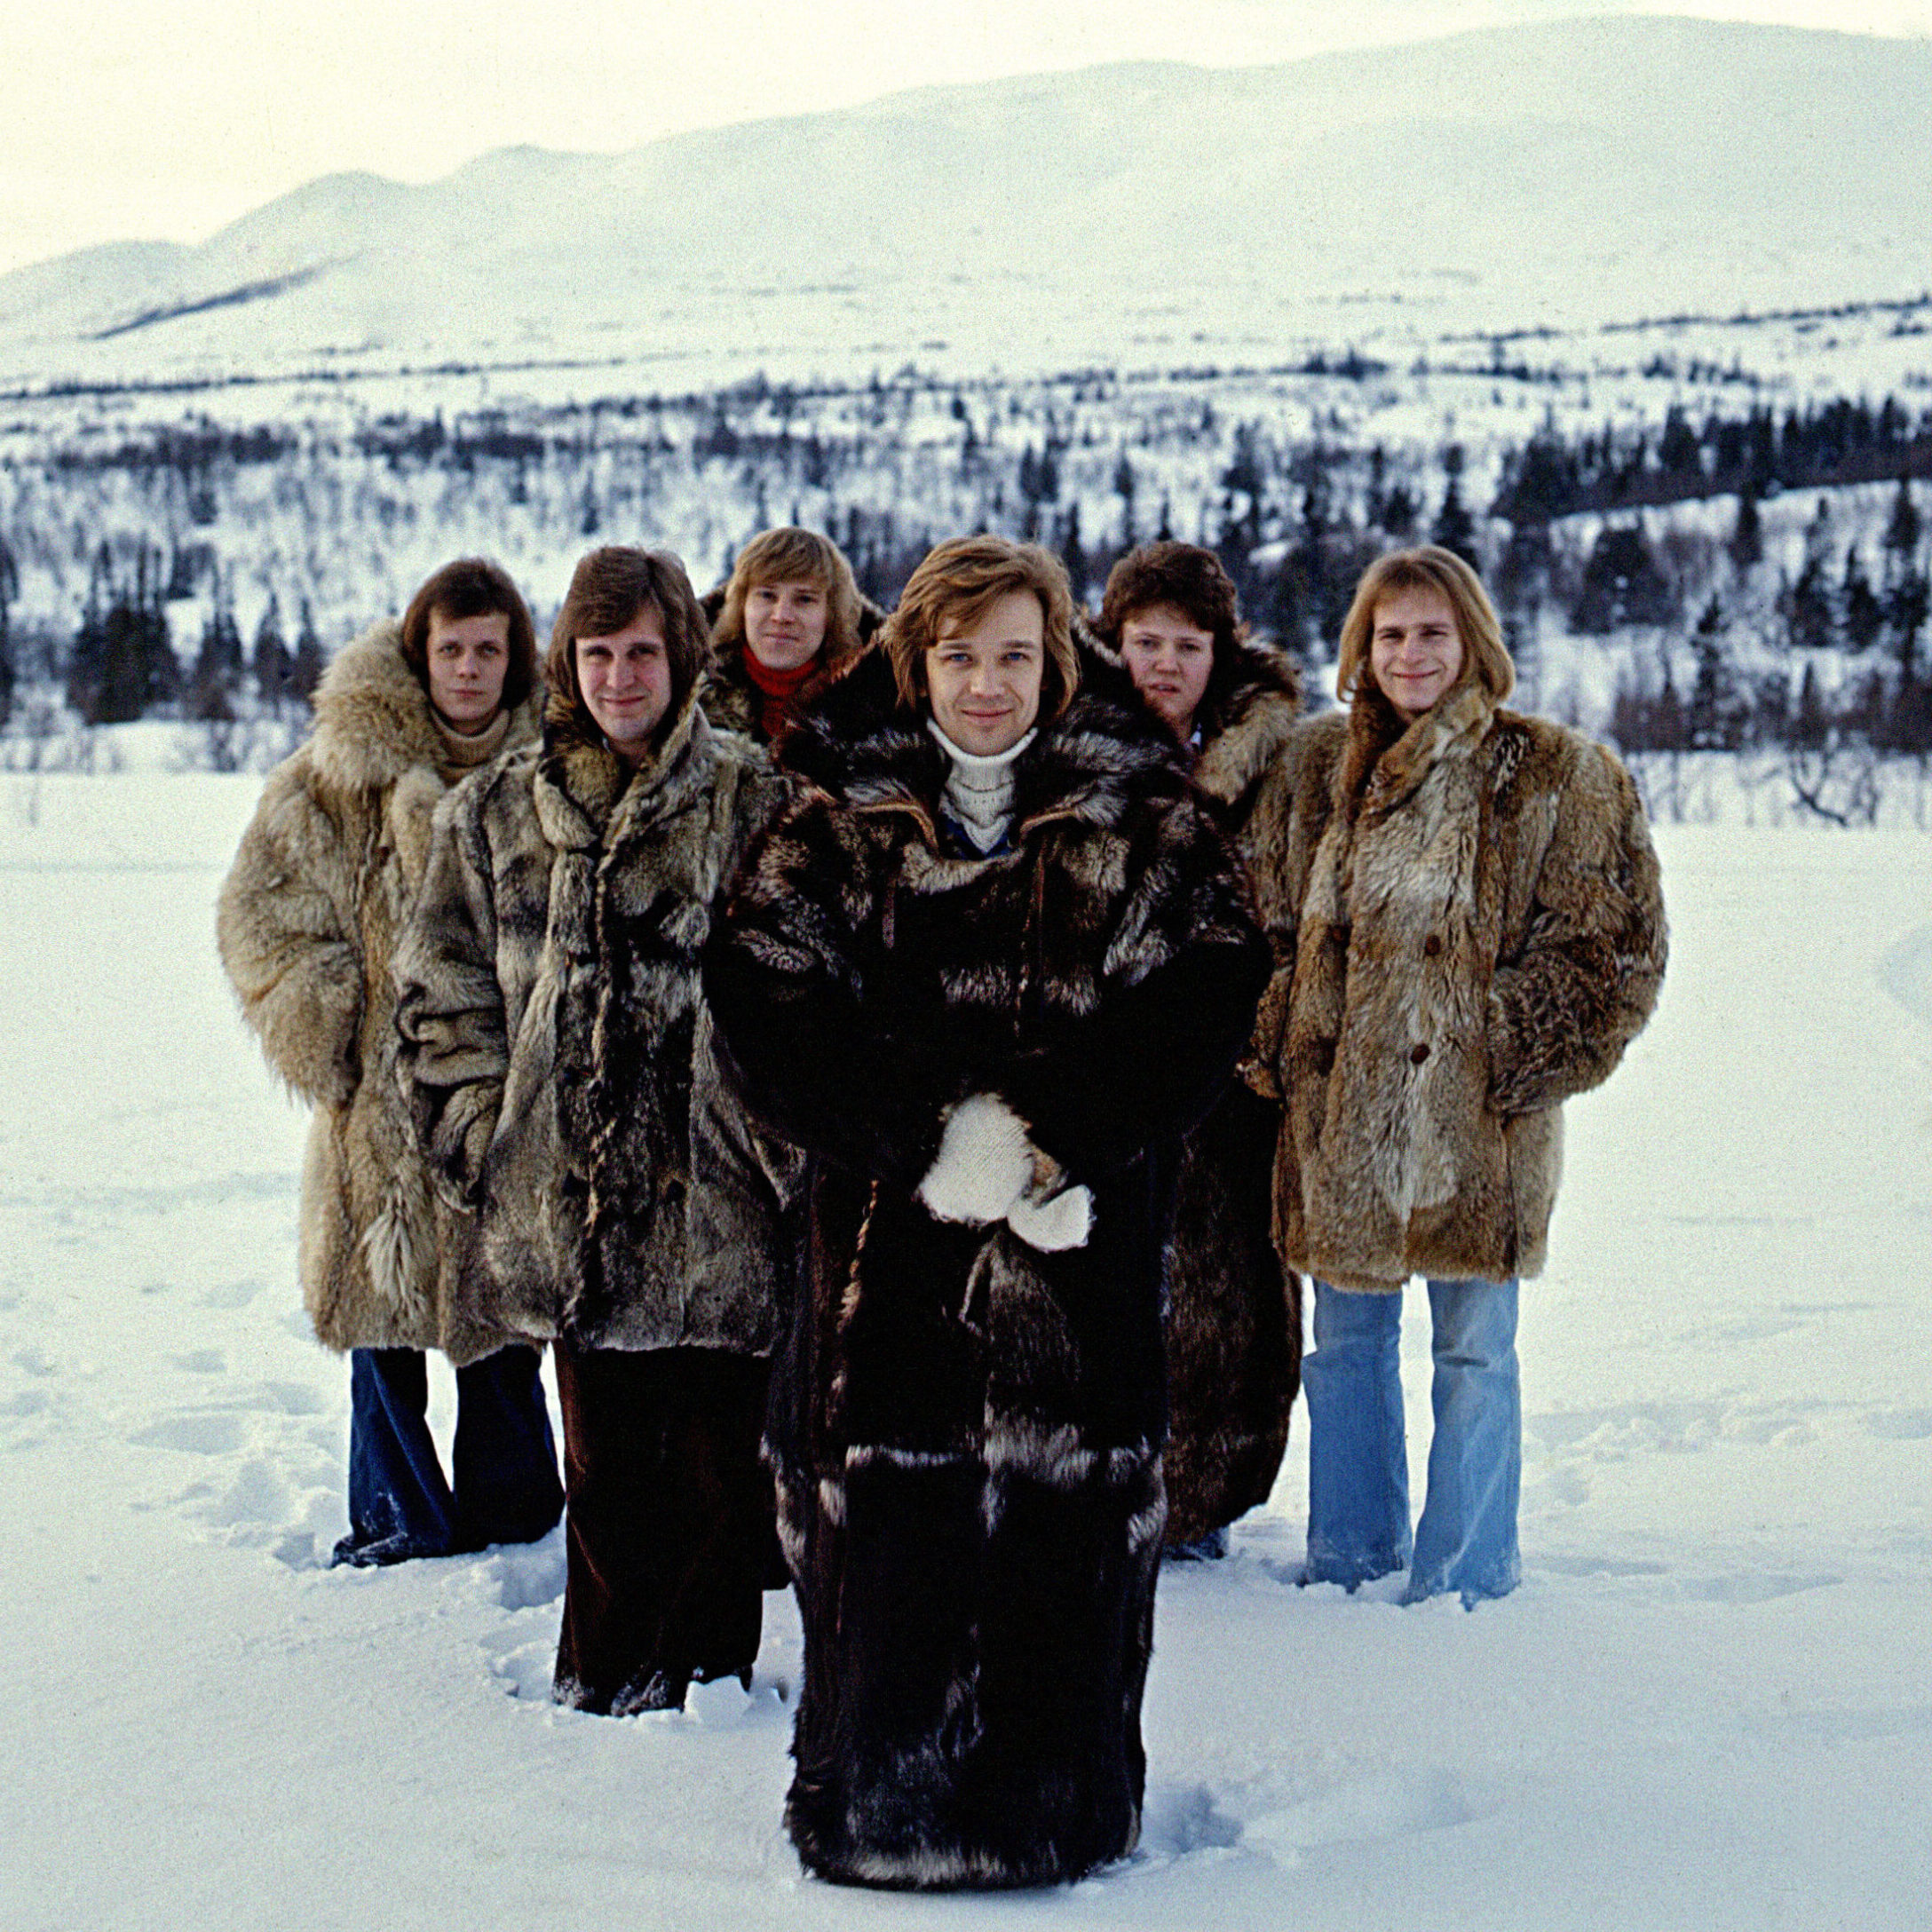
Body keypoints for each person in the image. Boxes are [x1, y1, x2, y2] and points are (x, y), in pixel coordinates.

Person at [705, 535, 1270, 1888]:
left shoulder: (1147, 817)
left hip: (1076, 1271)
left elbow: (1206, 991)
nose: (987, 685)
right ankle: (879, 1819)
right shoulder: (828, 814)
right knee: (882, 1544)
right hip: (881, 1274)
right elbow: (760, 1000)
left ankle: (1053, 1814)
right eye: (959, 656)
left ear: (1056, 657)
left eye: (1015, 654)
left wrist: (1055, 1138)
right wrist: (920, 1134)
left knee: (1064, 1547)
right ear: (917, 659)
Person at [394, 545, 788, 1714]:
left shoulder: (754, 799)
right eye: (598, 654)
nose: (622, 678)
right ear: (567, 663)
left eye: (643, 654)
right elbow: (441, 986)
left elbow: (805, 990)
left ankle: (716, 1687)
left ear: (681, 656)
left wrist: (778, 1150)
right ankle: (606, 1693)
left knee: (726, 1476)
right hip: (566, 1210)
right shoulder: (498, 809)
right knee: (608, 1477)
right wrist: (479, 1133)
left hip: (720, 1210)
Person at [1245, 544, 1667, 1605]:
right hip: (1338, 1130)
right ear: (1361, 647)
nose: (1410, 653)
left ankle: (1468, 1574)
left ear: (1473, 640)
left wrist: (1497, 1046)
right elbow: (1246, 925)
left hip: (1477, 1132)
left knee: (1476, 1357)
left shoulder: (1557, 772)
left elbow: (1610, 949)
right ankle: (1348, 1557)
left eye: (1432, 632)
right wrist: (1284, 1034)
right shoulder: (1309, 769)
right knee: (1342, 1352)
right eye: (1389, 634)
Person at [218, 558, 563, 1567]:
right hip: (379, 1106)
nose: (467, 669)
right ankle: (395, 1512)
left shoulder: (548, 774)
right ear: (419, 654)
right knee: (384, 1318)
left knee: (501, 1314)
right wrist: (334, 1035)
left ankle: (515, 1513)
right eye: (449, 648)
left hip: (506, 1096)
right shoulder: (339, 775)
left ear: (516, 658)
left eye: (487, 649)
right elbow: (258, 914)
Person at [1095, 542, 1303, 1559]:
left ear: (1222, 652)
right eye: (1145, 642)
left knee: (1230, 1296)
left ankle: (1204, 1497)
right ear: (1112, 641)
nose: (1164, 665)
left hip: (1235, 1074)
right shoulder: (1075, 745)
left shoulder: (1276, 763)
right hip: (1109, 1064)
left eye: (1187, 644)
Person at [701, 526, 878, 746]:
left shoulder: (881, 709)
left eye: (804, 599)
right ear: (741, 605)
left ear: (832, 614)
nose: (781, 616)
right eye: (767, 595)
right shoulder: (685, 699)